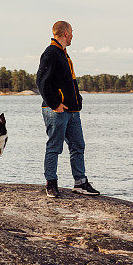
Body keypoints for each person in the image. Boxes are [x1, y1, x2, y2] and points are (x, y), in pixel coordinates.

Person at [36, 20, 100, 198]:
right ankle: (51, 183)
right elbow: (41, 81)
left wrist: (77, 101)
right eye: (71, 32)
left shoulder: (63, 53)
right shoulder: (51, 53)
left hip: (72, 111)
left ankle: (80, 183)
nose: (73, 35)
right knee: (54, 147)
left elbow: (69, 82)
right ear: (65, 33)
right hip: (56, 111)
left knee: (78, 145)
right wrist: (55, 103)